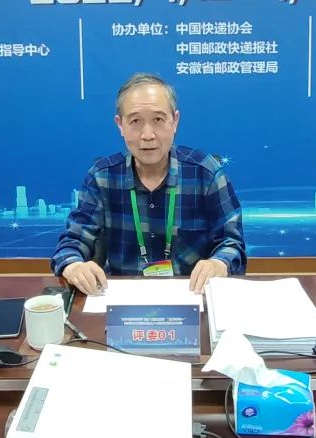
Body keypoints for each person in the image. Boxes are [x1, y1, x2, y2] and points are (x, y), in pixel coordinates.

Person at [52, 73, 246, 295]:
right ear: (120, 125)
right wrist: (73, 266)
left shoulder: (206, 173)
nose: (148, 135)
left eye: (158, 120)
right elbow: (71, 242)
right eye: (135, 121)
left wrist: (219, 263)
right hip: (122, 300)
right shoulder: (102, 177)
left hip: (192, 296)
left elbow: (233, 243)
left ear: (175, 121)